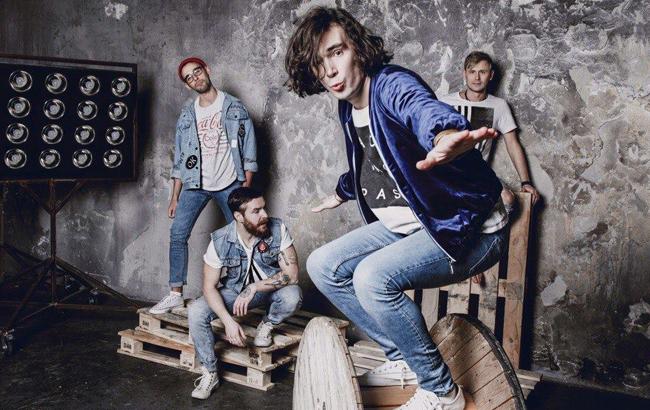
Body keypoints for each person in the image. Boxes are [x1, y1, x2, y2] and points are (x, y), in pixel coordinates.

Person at [285, 7, 509, 410]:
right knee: (323, 266)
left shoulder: (390, 84)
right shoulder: (348, 105)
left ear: (357, 48)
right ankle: (404, 359)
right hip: (415, 221)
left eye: (336, 52)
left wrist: (443, 134)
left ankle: (443, 392)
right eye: (319, 63)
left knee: (372, 278)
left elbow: (420, 108)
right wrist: (342, 191)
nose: (330, 71)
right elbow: (374, 161)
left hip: (469, 228)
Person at [150, 57, 258, 314]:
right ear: (187, 85)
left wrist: (245, 191)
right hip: (195, 183)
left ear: (207, 70)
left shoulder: (234, 107)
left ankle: (241, 290)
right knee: (178, 234)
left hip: (230, 182)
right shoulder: (187, 115)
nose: (195, 78)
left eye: (197, 72)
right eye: (189, 77)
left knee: (242, 237)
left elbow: (250, 153)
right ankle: (175, 294)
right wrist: (175, 197)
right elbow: (180, 160)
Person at [187, 187, 302, 399]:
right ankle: (210, 372)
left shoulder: (277, 229)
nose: (265, 215)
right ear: (239, 217)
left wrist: (255, 287)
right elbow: (209, 287)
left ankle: (267, 324)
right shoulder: (220, 241)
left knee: (292, 295)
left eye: (264, 208)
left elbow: (292, 275)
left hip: (269, 290)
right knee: (196, 311)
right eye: (256, 211)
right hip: (235, 292)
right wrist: (228, 321)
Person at [439, 51, 540, 211]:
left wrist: (526, 182)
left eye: (482, 72)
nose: (477, 78)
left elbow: (513, 144)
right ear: (465, 74)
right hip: (446, 170)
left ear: (491, 75)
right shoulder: (445, 103)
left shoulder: (499, 106)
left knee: (507, 199)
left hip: (477, 173)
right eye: (472, 72)